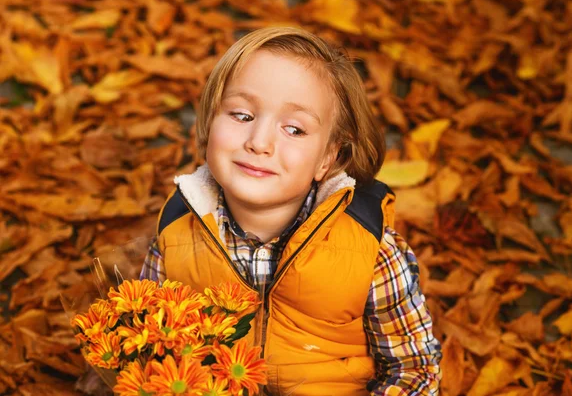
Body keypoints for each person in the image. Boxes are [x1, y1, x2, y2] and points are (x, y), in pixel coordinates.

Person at [140, 27, 441, 395]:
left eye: (295, 129)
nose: (259, 142)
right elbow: (152, 344)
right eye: (242, 115)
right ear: (209, 120)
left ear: (329, 158)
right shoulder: (175, 233)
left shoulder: (369, 250)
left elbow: (413, 370)